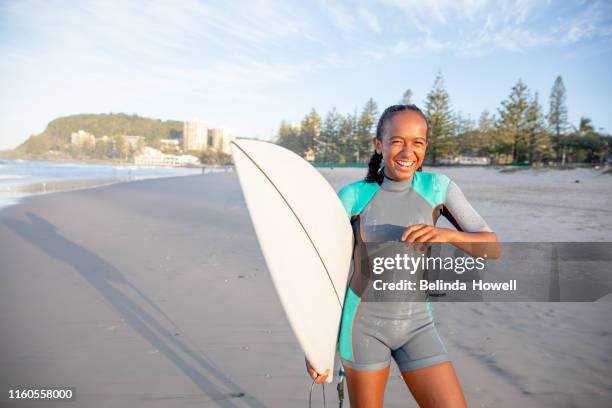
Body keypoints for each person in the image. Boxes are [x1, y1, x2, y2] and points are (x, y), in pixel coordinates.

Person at [306, 104, 499, 407]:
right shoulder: (353, 196)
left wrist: (447, 235)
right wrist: (314, 346)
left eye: (417, 142)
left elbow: (492, 247)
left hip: (418, 326)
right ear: (378, 145)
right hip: (362, 330)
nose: (408, 151)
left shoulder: (438, 188)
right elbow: (322, 273)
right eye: (397, 141)